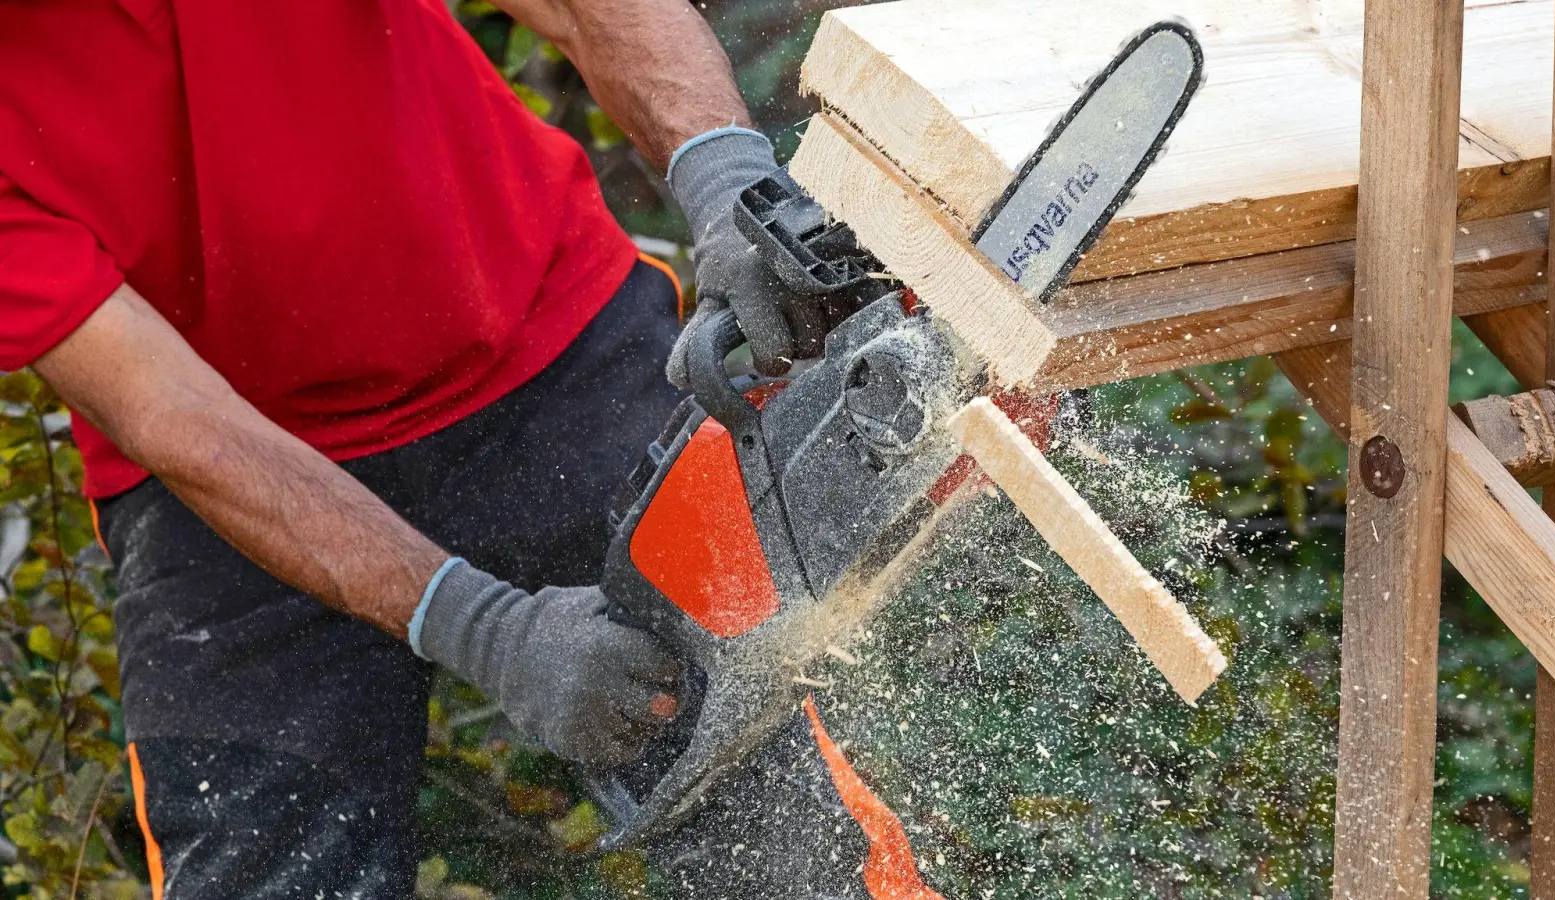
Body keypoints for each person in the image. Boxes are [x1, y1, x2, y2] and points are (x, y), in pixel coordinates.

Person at [0, 1, 944, 898]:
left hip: (546, 345)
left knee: (791, 806)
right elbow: (171, 412)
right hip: (227, 491)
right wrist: (482, 628)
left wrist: (728, 180)